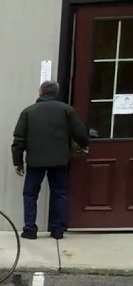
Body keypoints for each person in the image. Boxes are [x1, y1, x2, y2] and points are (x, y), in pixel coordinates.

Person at [11, 80, 89, 239]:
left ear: (40, 92)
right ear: (56, 93)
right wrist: (83, 145)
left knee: (30, 195)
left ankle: (30, 230)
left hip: (35, 161)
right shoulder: (67, 110)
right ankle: (58, 230)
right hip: (59, 161)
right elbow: (80, 133)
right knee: (59, 194)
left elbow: (18, 139)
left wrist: (17, 161)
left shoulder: (28, 112)